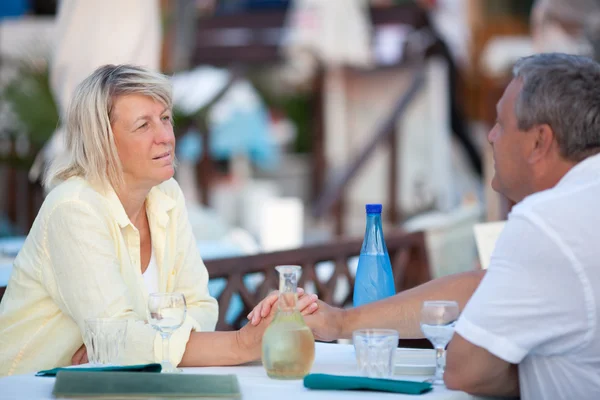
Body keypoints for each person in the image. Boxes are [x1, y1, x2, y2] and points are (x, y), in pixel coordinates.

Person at [251, 53, 600, 399]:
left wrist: (531, 372)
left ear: (539, 141)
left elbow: (466, 371)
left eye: (501, 124)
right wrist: (341, 323)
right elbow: (484, 284)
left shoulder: (547, 221)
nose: (491, 136)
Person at [0, 64, 317, 376]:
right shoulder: (74, 208)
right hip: (28, 386)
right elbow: (117, 338)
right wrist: (240, 344)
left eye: (165, 118)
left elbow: (201, 307)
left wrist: (135, 346)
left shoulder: (166, 194)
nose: (166, 136)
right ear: (103, 141)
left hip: (112, 386)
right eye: (143, 125)